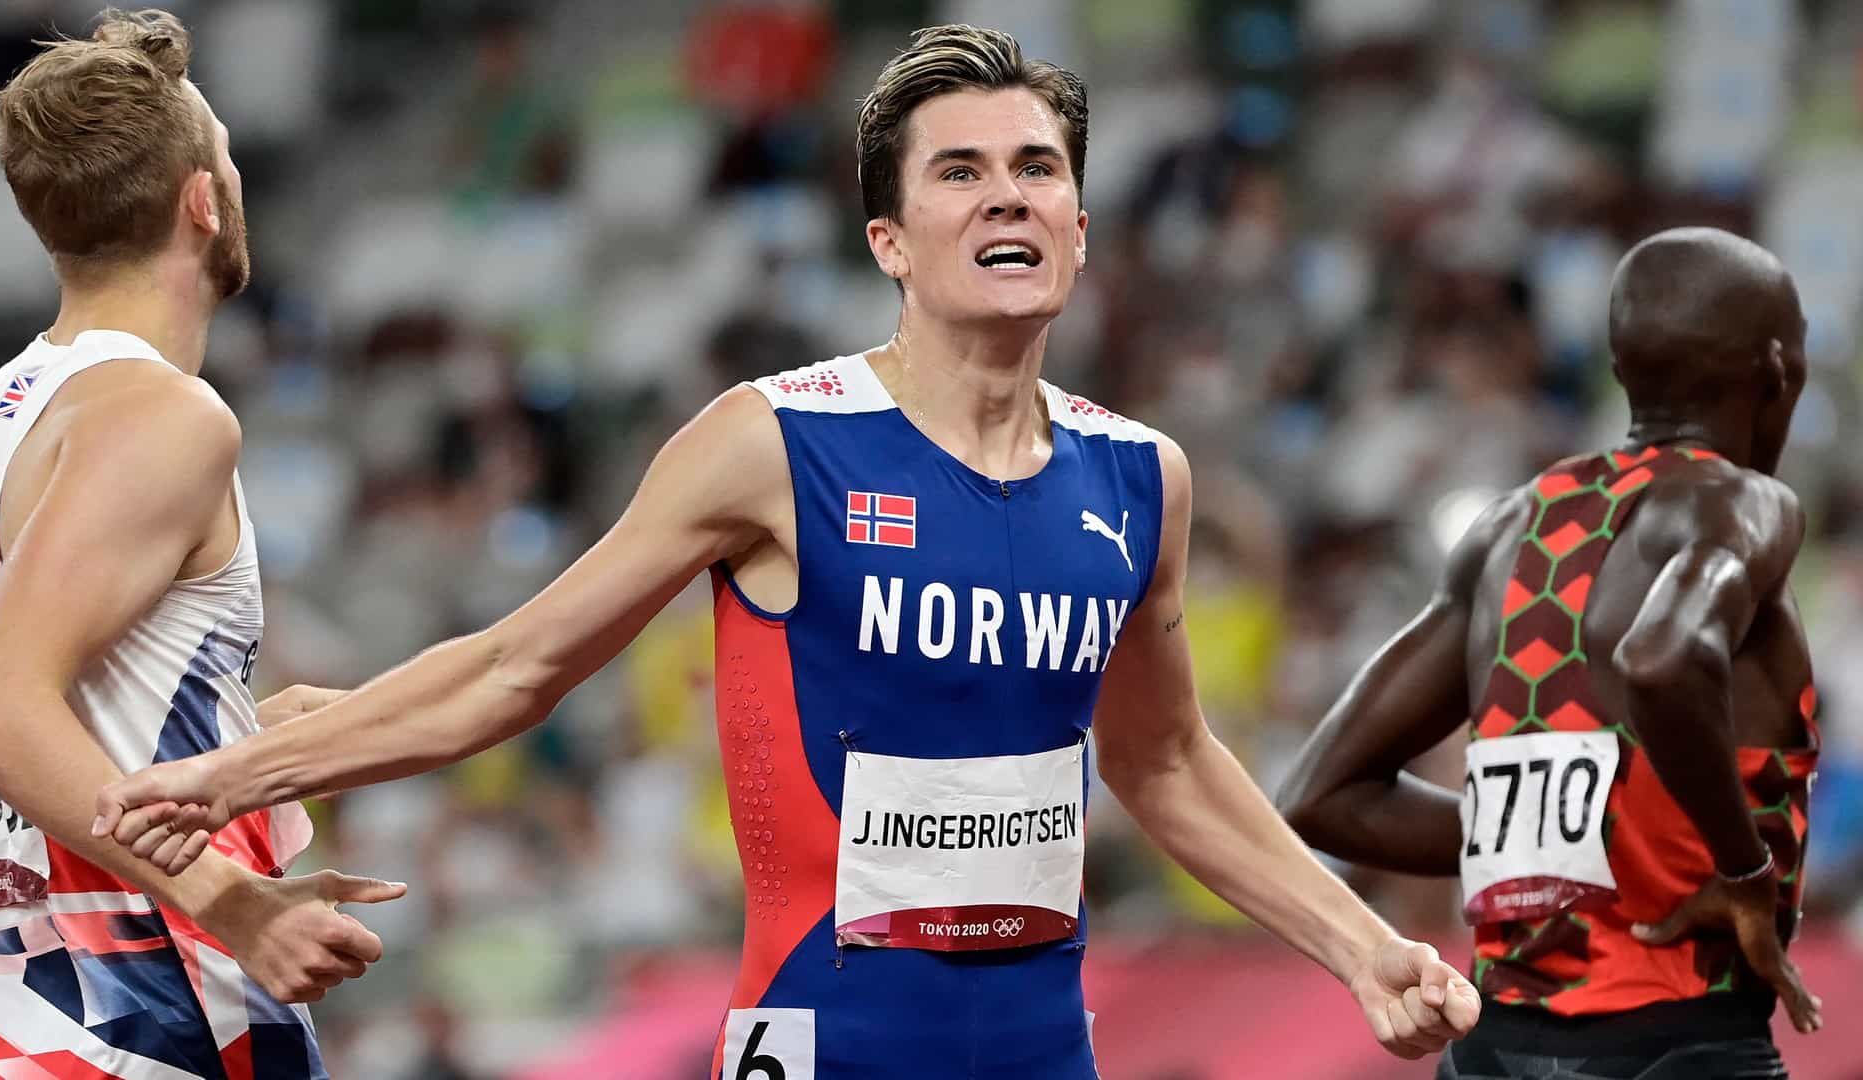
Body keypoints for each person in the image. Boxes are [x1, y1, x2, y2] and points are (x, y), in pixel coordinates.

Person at [94, 24, 1479, 1078]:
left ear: (1078, 223)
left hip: (1041, 1051)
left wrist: (1365, 947)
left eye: (1036, 170)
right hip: (823, 1042)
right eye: (960, 173)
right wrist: (242, 774)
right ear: (890, 239)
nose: (1007, 198)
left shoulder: (1139, 477)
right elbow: (518, 665)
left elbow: (1164, 760)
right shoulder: (773, 443)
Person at [0, 9, 402, 1077]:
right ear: (205, 199)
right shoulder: (167, 416)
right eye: (228, 159)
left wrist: (243, 739)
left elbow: (16, 716)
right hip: (149, 1018)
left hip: (20, 1022)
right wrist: (236, 902)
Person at [1276, 226, 1823, 1079]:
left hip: (1495, 1048)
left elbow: (1320, 794)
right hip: (1680, 1033)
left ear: (1621, 369)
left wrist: (1560, 843)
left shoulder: (1512, 526)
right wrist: (1742, 867)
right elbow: (1663, 660)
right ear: (1779, 371)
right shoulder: (1746, 503)